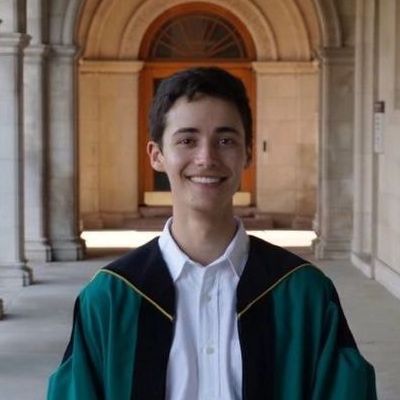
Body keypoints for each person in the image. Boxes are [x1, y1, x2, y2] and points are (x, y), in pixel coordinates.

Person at [47, 67, 377, 400]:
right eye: (187, 140)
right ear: (156, 155)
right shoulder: (110, 299)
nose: (206, 158)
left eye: (225, 140)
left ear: (247, 152)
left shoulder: (305, 294)